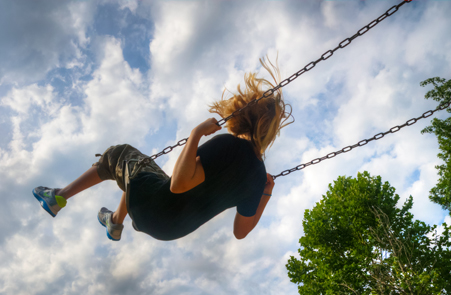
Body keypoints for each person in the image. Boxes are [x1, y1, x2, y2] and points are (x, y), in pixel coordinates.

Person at [32, 56, 293, 241]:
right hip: (168, 229)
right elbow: (240, 232)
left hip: (154, 206)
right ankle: (115, 221)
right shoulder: (258, 179)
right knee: (142, 174)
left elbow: (179, 185)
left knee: (118, 155)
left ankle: (59, 197)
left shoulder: (230, 146)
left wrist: (196, 134)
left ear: (242, 115)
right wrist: (265, 193)